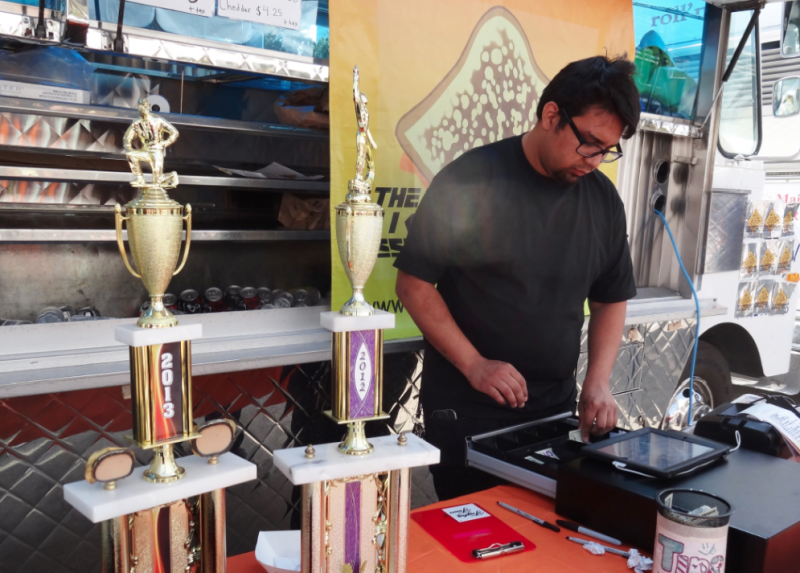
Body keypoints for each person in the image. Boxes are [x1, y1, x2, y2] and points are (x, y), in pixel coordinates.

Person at [394, 55, 640, 501]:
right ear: (552, 116)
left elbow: (610, 297)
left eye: (608, 149)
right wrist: (474, 364)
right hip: (469, 413)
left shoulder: (603, 200)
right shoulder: (471, 180)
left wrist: (597, 381)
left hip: (554, 411)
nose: (596, 160)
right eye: (589, 143)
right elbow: (413, 283)